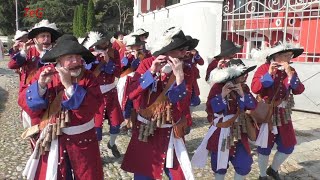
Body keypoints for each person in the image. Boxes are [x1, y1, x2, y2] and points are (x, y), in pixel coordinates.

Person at [18, 34, 103, 180]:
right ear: (59, 60)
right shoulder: (44, 73)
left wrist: (69, 86)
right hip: (53, 140)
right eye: (69, 58)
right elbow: (25, 102)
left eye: (78, 56)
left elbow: (90, 110)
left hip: (83, 142)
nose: (76, 61)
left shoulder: (89, 78)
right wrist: (41, 86)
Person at [121, 27, 197, 179]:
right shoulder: (148, 63)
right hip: (146, 130)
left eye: (186, 49)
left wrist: (180, 78)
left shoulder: (188, 70)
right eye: (181, 50)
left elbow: (183, 105)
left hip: (171, 131)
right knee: (144, 175)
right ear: (168, 50)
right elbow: (132, 93)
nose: (185, 53)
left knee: (180, 176)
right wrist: (151, 72)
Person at [192, 58, 257, 180]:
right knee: (219, 165)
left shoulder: (244, 88)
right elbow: (211, 109)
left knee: (244, 164)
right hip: (221, 131)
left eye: (245, 74)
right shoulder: (217, 87)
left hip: (238, 132)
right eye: (242, 74)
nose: (245, 76)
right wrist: (222, 95)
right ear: (232, 76)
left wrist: (242, 94)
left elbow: (253, 105)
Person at [251, 42, 305, 180]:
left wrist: (290, 75)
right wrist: (269, 74)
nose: (289, 57)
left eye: (290, 55)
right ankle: (262, 175)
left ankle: (273, 169)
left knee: (288, 145)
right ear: (276, 55)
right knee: (265, 146)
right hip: (267, 114)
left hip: (283, 115)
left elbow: (299, 90)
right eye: (286, 55)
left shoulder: (290, 70)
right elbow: (255, 89)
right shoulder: (263, 68)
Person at [84, 31, 123, 158]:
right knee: (97, 126)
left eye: (106, 42)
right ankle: (97, 153)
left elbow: (118, 72)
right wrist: (94, 59)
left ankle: (112, 144)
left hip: (111, 92)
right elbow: (86, 73)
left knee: (116, 122)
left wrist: (107, 62)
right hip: (96, 94)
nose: (105, 44)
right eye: (102, 43)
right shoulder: (89, 53)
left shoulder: (114, 52)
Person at [8, 19, 61, 92]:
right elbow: (11, 66)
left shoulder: (57, 51)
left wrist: (42, 52)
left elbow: (56, 69)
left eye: (48, 36)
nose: (46, 39)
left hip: (50, 89)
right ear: (36, 39)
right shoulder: (29, 50)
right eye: (43, 36)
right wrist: (23, 52)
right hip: (29, 89)